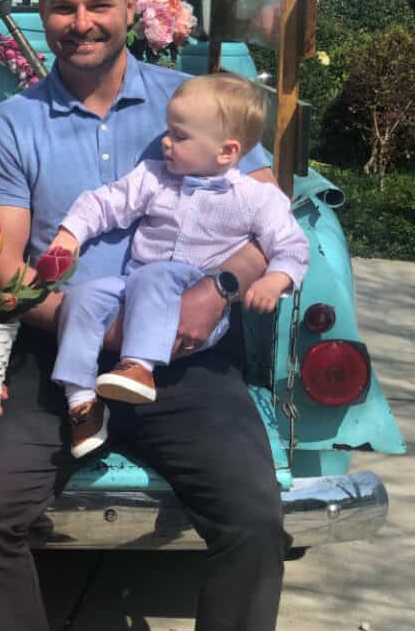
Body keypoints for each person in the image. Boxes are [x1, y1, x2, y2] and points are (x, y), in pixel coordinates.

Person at [0, 0, 291, 631]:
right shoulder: (9, 126)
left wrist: (215, 287)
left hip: (184, 366)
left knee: (254, 519)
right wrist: (82, 325)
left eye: (97, 5)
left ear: (130, 5)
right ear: (41, 14)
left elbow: (266, 217)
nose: (81, 22)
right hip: (55, 359)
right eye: (63, 7)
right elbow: (4, 261)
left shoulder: (197, 102)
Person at [48, 73, 309, 457]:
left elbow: (290, 243)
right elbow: (105, 203)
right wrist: (70, 236)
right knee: (81, 297)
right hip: (136, 287)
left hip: (195, 298)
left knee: (157, 274)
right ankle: (82, 403)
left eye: (180, 136)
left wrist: (276, 279)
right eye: (169, 131)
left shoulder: (257, 199)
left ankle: (137, 366)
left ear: (226, 152)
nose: (166, 142)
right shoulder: (154, 177)